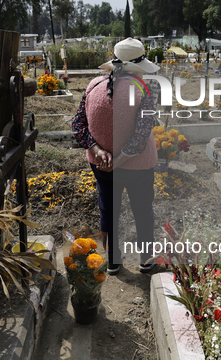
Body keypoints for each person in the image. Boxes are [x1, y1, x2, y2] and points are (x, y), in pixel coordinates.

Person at [72, 38, 159, 275]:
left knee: (108, 210)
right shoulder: (144, 90)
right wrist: (118, 162)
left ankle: (112, 261)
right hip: (138, 166)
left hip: (100, 165)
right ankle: (146, 260)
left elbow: (78, 126)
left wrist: (99, 152)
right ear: (138, 67)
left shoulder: (92, 87)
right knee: (142, 211)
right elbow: (141, 136)